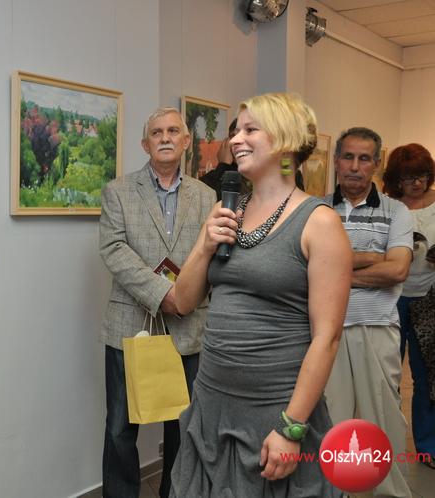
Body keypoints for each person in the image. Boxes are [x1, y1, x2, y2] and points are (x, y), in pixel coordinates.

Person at [169, 92, 352, 497]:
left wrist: (291, 427)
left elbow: (327, 337)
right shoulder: (225, 210)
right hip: (212, 402)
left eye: (251, 130)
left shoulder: (319, 223)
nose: (235, 139)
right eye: (236, 130)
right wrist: (204, 245)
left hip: (274, 410)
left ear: (285, 139)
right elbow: (182, 301)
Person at [99, 107, 215, 498]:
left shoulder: (207, 196)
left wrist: (183, 297)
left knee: (183, 426)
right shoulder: (118, 191)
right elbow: (114, 249)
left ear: (187, 141)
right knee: (120, 428)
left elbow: (211, 255)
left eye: (173, 131)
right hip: (131, 326)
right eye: (156, 133)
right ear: (144, 144)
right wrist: (162, 293)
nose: (165, 138)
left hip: (189, 326)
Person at [324, 127, 414, 497]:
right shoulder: (316, 210)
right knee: (333, 419)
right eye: (348, 157)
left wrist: (335, 274)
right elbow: (304, 269)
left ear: (376, 164)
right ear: (336, 161)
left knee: (382, 417)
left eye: (364, 159)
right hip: (326, 332)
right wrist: (371, 258)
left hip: (377, 328)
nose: (355, 166)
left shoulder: (396, 211)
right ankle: (337, 491)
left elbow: (397, 270)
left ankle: (389, 492)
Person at [383, 143, 435, 469]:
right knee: (386, 376)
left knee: (425, 377)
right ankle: (387, 443)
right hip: (389, 297)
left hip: (429, 299)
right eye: (409, 177)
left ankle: (428, 447)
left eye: (423, 175)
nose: (417, 183)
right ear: (396, 179)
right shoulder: (387, 207)